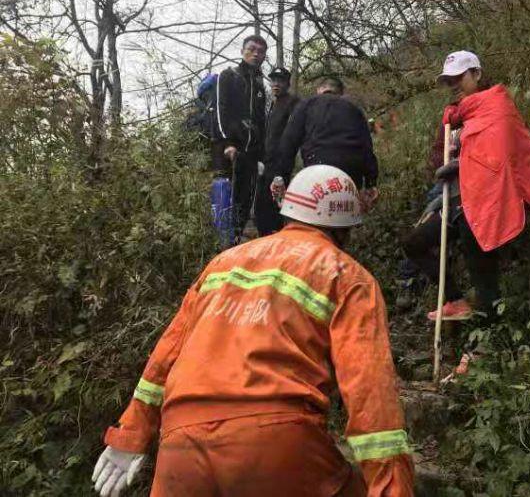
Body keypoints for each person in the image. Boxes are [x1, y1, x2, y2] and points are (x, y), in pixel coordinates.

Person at [91, 165, 415, 497]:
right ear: (345, 229)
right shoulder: (347, 276)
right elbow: (370, 392)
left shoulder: (223, 262)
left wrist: (133, 431)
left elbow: (167, 354)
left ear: (288, 212)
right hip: (276, 441)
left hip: (181, 441)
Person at [404, 50, 530, 323]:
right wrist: (445, 160)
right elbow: (436, 158)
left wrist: (463, 162)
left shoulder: (497, 107)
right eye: (448, 80)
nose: (453, 85)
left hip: (491, 197)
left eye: (458, 77)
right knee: (413, 242)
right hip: (458, 198)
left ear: (476, 74)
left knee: (474, 244)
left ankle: (485, 338)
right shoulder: (451, 119)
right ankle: (455, 299)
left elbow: (502, 155)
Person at [270, 77, 379, 211]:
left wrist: (281, 178)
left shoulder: (306, 105)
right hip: (350, 173)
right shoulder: (354, 110)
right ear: (341, 93)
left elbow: (288, 143)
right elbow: (367, 147)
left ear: (319, 90)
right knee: (343, 218)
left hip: (318, 168)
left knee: (317, 216)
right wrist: (371, 183)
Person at [212, 34, 268, 241]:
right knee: (226, 193)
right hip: (229, 147)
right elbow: (220, 111)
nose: (256, 53)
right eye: (251, 49)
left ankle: (237, 238)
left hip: (251, 151)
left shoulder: (260, 86)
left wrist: (262, 154)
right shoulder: (229, 76)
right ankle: (220, 240)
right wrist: (228, 143)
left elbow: (262, 122)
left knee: (246, 195)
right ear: (242, 51)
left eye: (261, 51)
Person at [254, 66, 300, 236]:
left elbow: (293, 133)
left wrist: (283, 164)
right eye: (273, 80)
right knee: (261, 207)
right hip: (265, 164)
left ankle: (277, 240)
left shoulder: (293, 102)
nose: (276, 84)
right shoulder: (271, 104)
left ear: (287, 84)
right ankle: (265, 239)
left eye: (280, 81)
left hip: (280, 164)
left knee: (275, 207)